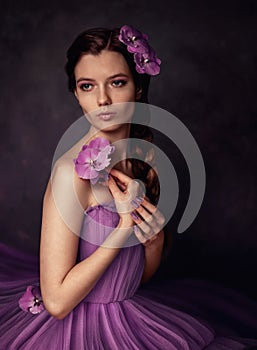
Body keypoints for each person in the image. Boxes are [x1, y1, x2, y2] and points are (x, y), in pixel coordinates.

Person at [0, 25, 257, 350]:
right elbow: (57, 303)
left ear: (137, 87)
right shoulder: (71, 175)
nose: (103, 99)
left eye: (117, 82)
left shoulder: (139, 157)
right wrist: (122, 229)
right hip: (79, 328)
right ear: (77, 93)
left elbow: (132, 280)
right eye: (87, 86)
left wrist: (154, 243)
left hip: (128, 311)